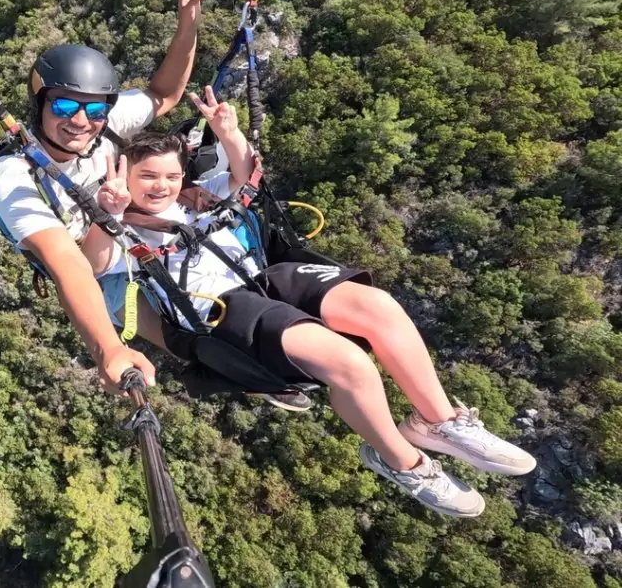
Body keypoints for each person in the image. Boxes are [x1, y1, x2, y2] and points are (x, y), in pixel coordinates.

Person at [80, 87, 537, 517]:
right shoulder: (123, 227)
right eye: (147, 177)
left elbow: (245, 178)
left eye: (171, 175)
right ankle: (402, 462)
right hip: (218, 307)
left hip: (263, 275)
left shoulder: (198, 197)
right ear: (124, 176)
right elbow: (94, 267)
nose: (161, 186)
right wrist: (110, 213)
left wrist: (228, 132)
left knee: (377, 307)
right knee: (350, 364)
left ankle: (439, 421)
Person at [0, 0, 310, 410]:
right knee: (184, 330)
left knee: (214, 265)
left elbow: (164, 93)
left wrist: (188, 17)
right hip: (97, 263)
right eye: (64, 105)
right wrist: (107, 349)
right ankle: (241, 369)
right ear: (39, 103)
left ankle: (283, 333)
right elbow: (68, 264)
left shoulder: (104, 130)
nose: (80, 120)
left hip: (132, 225)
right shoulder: (16, 174)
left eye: (94, 108)